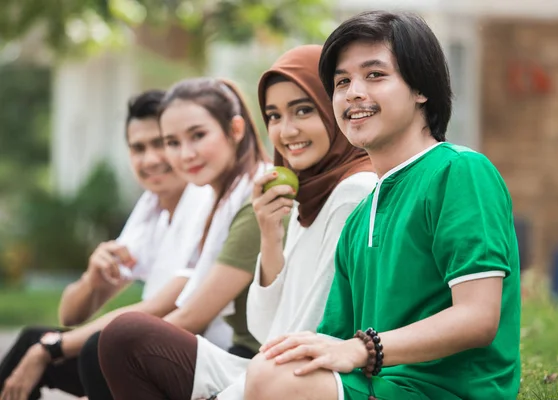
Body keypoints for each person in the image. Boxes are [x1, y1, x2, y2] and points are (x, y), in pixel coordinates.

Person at [244, 11, 521, 400]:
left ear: (421, 87)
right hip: (378, 385)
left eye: (375, 75)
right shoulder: (360, 215)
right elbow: (330, 338)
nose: (354, 92)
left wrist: (363, 348)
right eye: (342, 82)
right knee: (271, 368)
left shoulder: (459, 171)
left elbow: (478, 317)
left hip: (445, 391)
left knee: (270, 378)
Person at [98, 44, 377, 400]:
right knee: (125, 336)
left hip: (302, 378)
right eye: (274, 116)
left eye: (303, 110)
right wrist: (271, 235)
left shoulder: (353, 193)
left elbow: (303, 335)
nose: (286, 131)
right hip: (265, 366)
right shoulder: (303, 196)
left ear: (334, 108)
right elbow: (264, 328)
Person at [0, 89, 216, 400]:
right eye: (138, 148)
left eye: (161, 144)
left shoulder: (203, 201)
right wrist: (92, 278)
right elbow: (70, 315)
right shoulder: (151, 208)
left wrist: (49, 349)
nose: (151, 159)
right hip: (147, 349)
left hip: (186, 359)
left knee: (82, 348)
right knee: (32, 341)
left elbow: (162, 307)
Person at [97, 76, 276, 399]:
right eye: (173, 142)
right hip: (237, 355)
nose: (186, 154)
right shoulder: (212, 201)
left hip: (255, 362)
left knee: (121, 339)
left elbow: (193, 315)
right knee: (109, 343)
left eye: (198, 135)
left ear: (235, 130)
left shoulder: (254, 200)